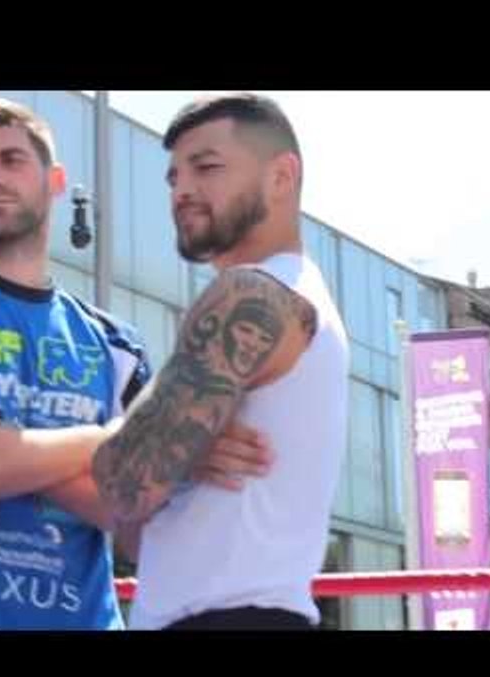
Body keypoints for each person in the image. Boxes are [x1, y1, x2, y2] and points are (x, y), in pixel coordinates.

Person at [0, 97, 273, 630]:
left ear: (55, 180)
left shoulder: (116, 345)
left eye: (12, 159)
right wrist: (115, 439)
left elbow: (134, 522)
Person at [93, 93, 349, 630]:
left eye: (206, 167)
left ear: (282, 176)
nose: (183, 190)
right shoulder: (301, 296)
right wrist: (183, 450)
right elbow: (137, 530)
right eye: (173, 178)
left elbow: (119, 481)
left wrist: (164, 447)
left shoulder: (252, 294)